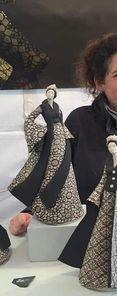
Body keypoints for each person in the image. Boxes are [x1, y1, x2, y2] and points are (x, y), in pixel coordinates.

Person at [9, 32, 117, 235]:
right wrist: (31, 212)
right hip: (85, 236)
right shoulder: (78, 122)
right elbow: (56, 177)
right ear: (99, 82)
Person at [59, 134, 117, 290]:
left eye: (114, 146)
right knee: (101, 227)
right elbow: (103, 180)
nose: (112, 149)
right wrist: (96, 196)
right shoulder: (107, 162)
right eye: (109, 147)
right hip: (107, 197)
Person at [8, 84, 84, 227]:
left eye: (52, 92)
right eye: (49, 92)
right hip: (51, 138)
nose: (50, 94)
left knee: (66, 169)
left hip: (62, 138)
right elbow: (30, 119)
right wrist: (40, 132)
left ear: (54, 94)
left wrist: (65, 136)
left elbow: (60, 122)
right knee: (49, 168)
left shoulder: (57, 106)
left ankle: (70, 209)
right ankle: (47, 206)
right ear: (46, 93)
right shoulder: (43, 106)